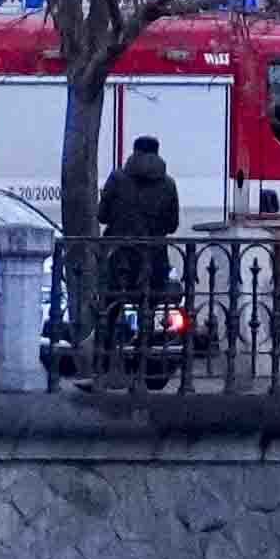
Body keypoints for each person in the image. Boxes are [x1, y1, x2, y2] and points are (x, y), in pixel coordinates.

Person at [96, 135, 183, 377]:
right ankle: (140, 366)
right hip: (152, 260)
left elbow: (101, 216)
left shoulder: (117, 178)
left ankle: (101, 367)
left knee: (109, 310)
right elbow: (173, 224)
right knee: (148, 309)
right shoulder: (168, 184)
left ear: (134, 152)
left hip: (119, 257)